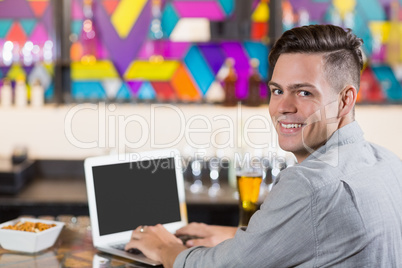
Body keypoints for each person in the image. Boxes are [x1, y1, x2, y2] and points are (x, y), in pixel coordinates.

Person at [125, 24, 402, 267]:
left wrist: (164, 246)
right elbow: (326, 237)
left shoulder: (310, 184)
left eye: (304, 92)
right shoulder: (389, 164)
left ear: (345, 100)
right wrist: (236, 237)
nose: (282, 107)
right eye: (277, 90)